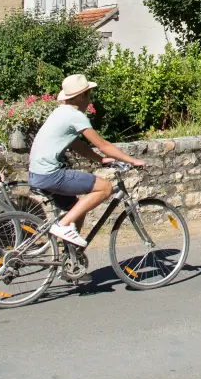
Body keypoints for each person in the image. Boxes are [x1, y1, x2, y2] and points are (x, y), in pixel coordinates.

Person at [28, 73, 145, 249]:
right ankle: (63, 225)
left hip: (37, 174)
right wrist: (132, 160)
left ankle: (70, 257)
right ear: (81, 96)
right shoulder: (75, 115)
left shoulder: (61, 112)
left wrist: (100, 160)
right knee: (104, 188)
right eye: (89, 94)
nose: (90, 99)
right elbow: (103, 144)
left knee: (76, 207)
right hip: (50, 174)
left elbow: (77, 145)